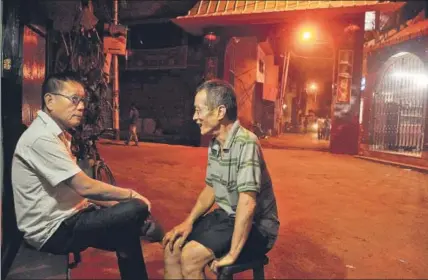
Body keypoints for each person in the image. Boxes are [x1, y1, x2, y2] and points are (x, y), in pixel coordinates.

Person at [11, 72, 152, 280]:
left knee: (127, 231)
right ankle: (145, 225)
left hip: (70, 218)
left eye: (83, 100)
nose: (81, 106)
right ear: (50, 101)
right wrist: (132, 196)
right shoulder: (41, 138)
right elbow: (84, 187)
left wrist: (116, 205)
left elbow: (79, 191)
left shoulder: (57, 135)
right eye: (74, 99)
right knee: (136, 207)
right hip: (52, 232)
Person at [162, 79, 279, 279]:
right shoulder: (215, 143)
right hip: (227, 216)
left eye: (199, 110)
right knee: (172, 247)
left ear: (220, 112)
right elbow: (211, 188)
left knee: (190, 258)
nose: (194, 117)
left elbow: (248, 202)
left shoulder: (246, 143)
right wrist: (189, 222)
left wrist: (233, 253)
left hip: (258, 226)